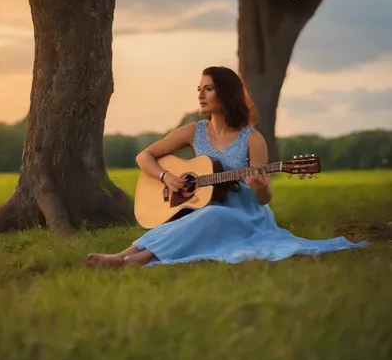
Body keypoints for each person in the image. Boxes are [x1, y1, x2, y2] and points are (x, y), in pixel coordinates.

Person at [85, 66, 367, 268]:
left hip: (246, 216)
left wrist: (260, 187)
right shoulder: (193, 131)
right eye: (200, 89)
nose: (201, 94)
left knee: (213, 217)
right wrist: (167, 177)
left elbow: (264, 199)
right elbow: (144, 156)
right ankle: (122, 255)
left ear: (226, 93)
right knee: (199, 217)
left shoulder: (252, 138)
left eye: (208, 88)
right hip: (204, 208)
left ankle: (137, 259)